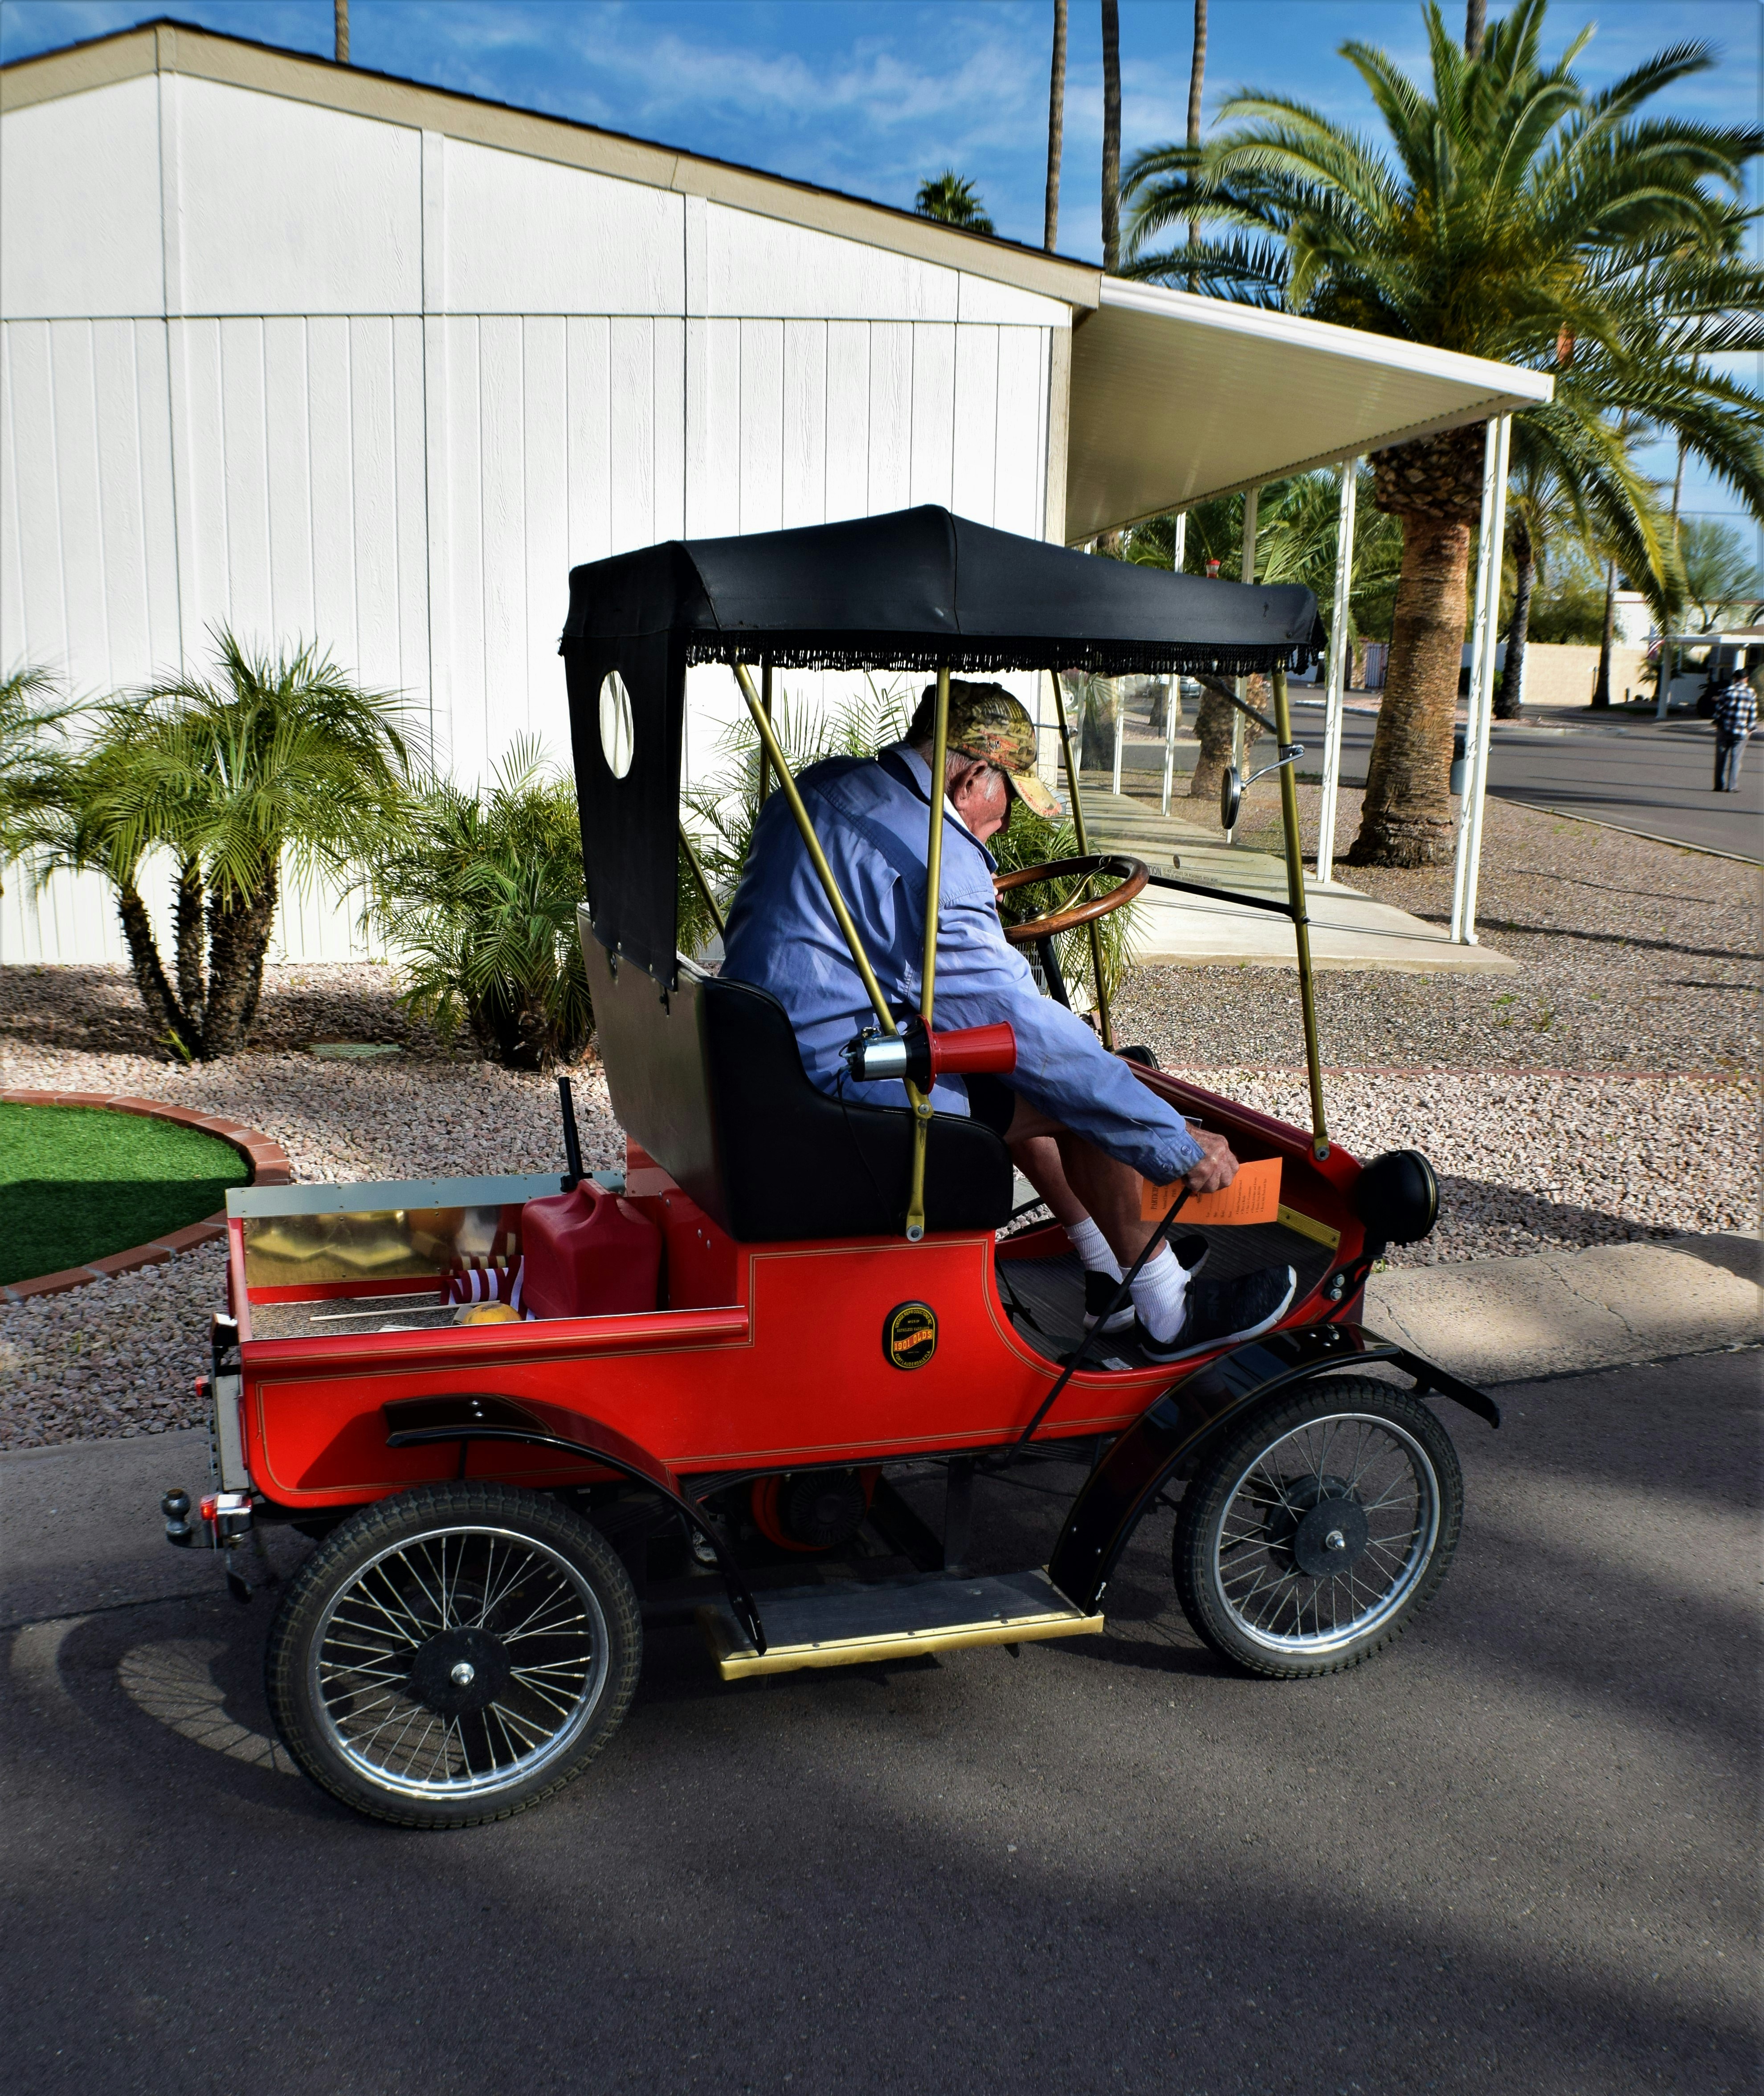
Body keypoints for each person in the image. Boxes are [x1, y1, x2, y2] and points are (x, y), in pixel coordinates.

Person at [720, 680, 1296, 1361]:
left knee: (1028, 1070)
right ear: (970, 778)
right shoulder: (939, 860)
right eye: (1008, 799)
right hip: (844, 1101)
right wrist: (1172, 1141)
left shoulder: (825, 787)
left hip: (776, 1068)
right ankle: (1167, 1308)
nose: (1008, 821)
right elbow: (1032, 1035)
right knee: (1075, 1083)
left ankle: (1106, 1271)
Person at [1711, 667, 1757, 793]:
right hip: (1742, 732)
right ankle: (1732, 786)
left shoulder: (1726, 692)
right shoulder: (1751, 693)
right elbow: (1752, 713)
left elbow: (1719, 712)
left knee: (1720, 759)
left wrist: (1718, 723)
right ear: (1746, 679)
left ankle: (1719, 785)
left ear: (1735, 679)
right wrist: (1751, 728)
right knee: (1736, 760)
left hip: (1725, 729)